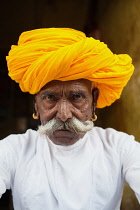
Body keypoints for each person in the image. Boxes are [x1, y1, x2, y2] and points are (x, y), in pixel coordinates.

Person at [0, 27, 139, 210]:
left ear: (93, 102)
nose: (64, 114)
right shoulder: (13, 150)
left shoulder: (120, 147)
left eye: (77, 97)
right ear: (36, 105)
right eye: (50, 98)